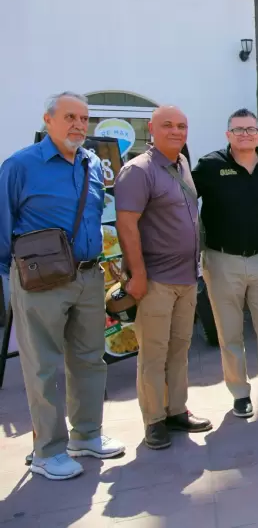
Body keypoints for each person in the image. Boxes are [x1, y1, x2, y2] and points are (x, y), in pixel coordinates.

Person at [0, 92, 125, 480]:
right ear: (48, 120)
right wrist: (8, 279)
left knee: (89, 359)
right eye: (70, 116)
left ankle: (85, 435)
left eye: (84, 118)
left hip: (88, 276)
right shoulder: (21, 165)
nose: (78, 124)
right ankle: (46, 451)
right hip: (40, 281)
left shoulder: (89, 162)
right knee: (42, 367)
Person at [114, 105, 212, 450]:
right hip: (155, 279)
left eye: (182, 125)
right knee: (154, 354)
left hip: (186, 277)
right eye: (167, 125)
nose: (176, 131)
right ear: (150, 129)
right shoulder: (138, 171)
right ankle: (153, 420)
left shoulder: (182, 164)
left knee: (179, 350)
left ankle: (175, 410)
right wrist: (137, 274)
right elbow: (126, 225)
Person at [191, 109, 258, 419]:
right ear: (228, 135)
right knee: (230, 332)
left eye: (251, 129)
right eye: (238, 130)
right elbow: (181, 200)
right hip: (221, 260)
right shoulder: (210, 166)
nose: (245, 134)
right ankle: (239, 393)